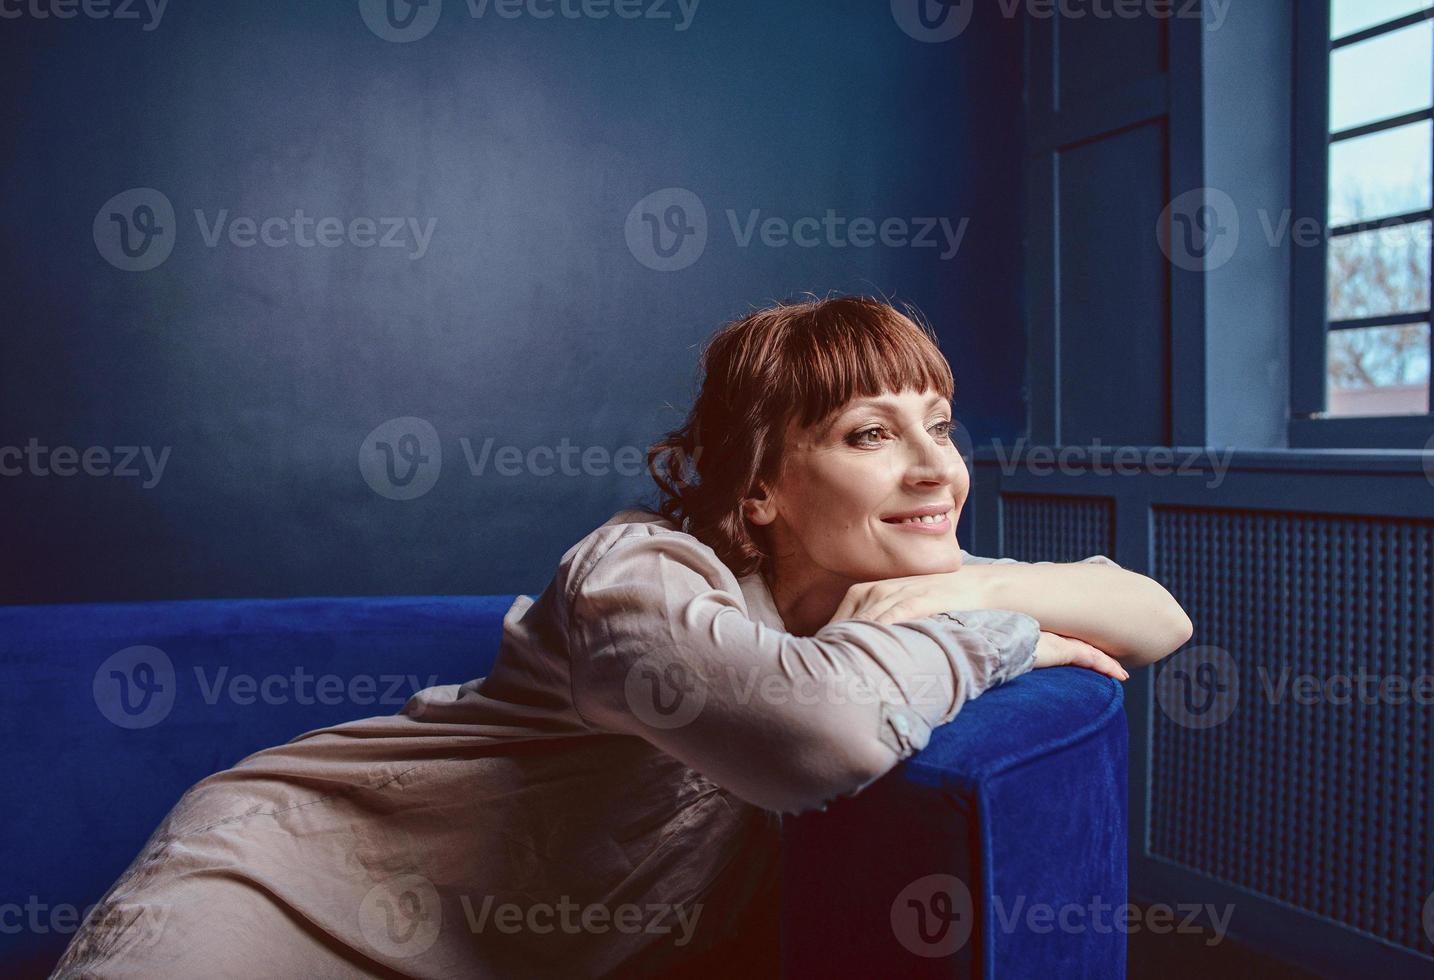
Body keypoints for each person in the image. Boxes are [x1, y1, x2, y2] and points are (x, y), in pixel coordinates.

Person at [53, 296, 1191, 978]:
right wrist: (1000, 638)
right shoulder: (633, 575)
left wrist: (964, 604)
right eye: (867, 432)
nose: (936, 466)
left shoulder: (899, 588)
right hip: (279, 885)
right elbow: (817, 731)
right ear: (759, 488)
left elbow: (1151, 610)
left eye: (938, 427)